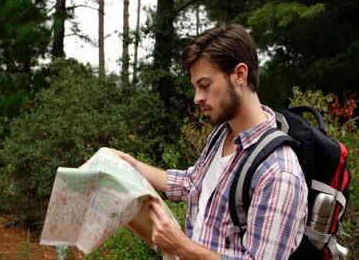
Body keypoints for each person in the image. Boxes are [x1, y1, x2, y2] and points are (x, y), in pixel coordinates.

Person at [114, 24, 308, 259]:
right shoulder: (222, 134)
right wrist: (134, 166)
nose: (197, 98)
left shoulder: (278, 171)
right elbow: (192, 183)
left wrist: (181, 246)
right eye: (195, 87)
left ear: (239, 74)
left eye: (205, 85)